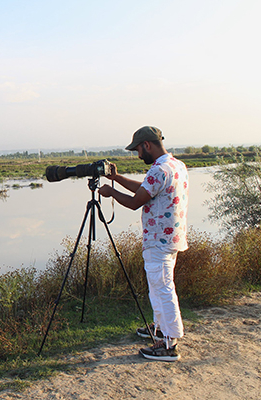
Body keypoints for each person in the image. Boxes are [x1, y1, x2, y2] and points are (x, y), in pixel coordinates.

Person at [98, 126, 189, 362]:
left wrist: (111, 192)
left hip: (159, 240)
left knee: (163, 287)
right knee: (159, 284)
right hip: (171, 238)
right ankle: (160, 329)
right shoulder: (176, 166)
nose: (138, 155)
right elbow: (145, 189)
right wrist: (116, 178)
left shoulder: (159, 169)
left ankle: (169, 344)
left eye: (138, 149)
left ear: (147, 145)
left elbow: (134, 202)